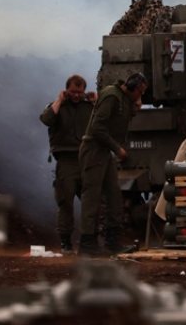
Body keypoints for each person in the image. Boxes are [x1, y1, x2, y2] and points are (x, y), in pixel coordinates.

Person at [77, 72, 148, 256]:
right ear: (133, 88)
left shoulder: (123, 98)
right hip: (94, 149)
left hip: (103, 151)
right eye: (140, 92)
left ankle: (113, 241)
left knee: (114, 196)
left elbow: (123, 115)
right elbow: (97, 128)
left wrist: (136, 106)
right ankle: (87, 243)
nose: (140, 96)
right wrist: (117, 149)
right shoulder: (111, 95)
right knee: (92, 197)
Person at [38, 74, 95, 252]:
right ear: (66, 90)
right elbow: (46, 120)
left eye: (79, 92)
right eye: (72, 92)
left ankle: (90, 240)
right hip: (66, 160)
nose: (76, 95)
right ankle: (65, 241)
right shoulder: (58, 107)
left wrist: (96, 102)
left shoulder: (89, 107)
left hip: (86, 159)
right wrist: (59, 100)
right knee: (65, 202)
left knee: (92, 202)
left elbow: (105, 121)